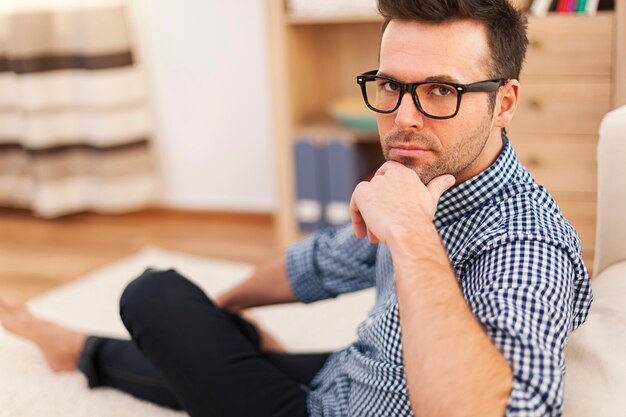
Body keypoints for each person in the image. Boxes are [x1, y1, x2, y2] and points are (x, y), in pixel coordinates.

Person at [0, 0, 592, 416]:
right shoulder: (432, 176)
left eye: (441, 90)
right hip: (360, 377)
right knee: (202, 344)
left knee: (150, 294)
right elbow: (325, 261)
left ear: (505, 101)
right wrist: (225, 318)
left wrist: (412, 234)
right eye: (391, 85)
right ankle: (76, 351)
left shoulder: (527, 243)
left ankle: (75, 349)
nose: (404, 117)